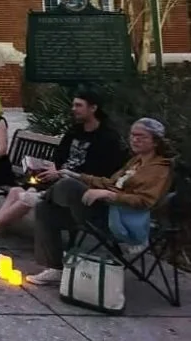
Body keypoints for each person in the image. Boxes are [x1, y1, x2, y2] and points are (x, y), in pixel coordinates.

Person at [0, 89, 127, 259]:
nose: (73, 109)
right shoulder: (75, 131)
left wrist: (62, 173)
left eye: (79, 105)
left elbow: (102, 171)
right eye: (74, 105)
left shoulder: (107, 138)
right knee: (14, 192)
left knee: (27, 196)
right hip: (58, 179)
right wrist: (48, 168)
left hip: (78, 188)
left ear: (93, 108)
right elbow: (59, 157)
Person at [26, 117, 173, 286]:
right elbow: (110, 183)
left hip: (119, 221)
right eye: (133, 135)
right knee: (45, 209)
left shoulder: (160, 168)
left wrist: (109, 195)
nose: (135, 139)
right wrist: (78, 175)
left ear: (155, 141)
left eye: (141, 136)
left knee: (68, 186)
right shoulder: (136, 161)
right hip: (105, 211)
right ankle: (55, 268)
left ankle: (42, 194)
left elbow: (146, 201)